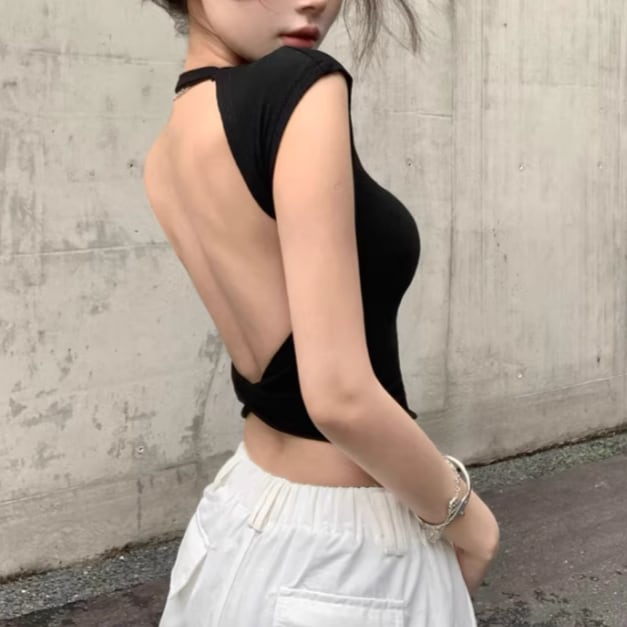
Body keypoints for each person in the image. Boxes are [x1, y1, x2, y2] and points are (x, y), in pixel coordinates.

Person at [143, 0, 500, 625]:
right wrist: (469, 521)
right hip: (349, 557)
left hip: (234, 520)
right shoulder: (297, 85)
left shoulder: (168, 148)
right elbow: (339, 396)